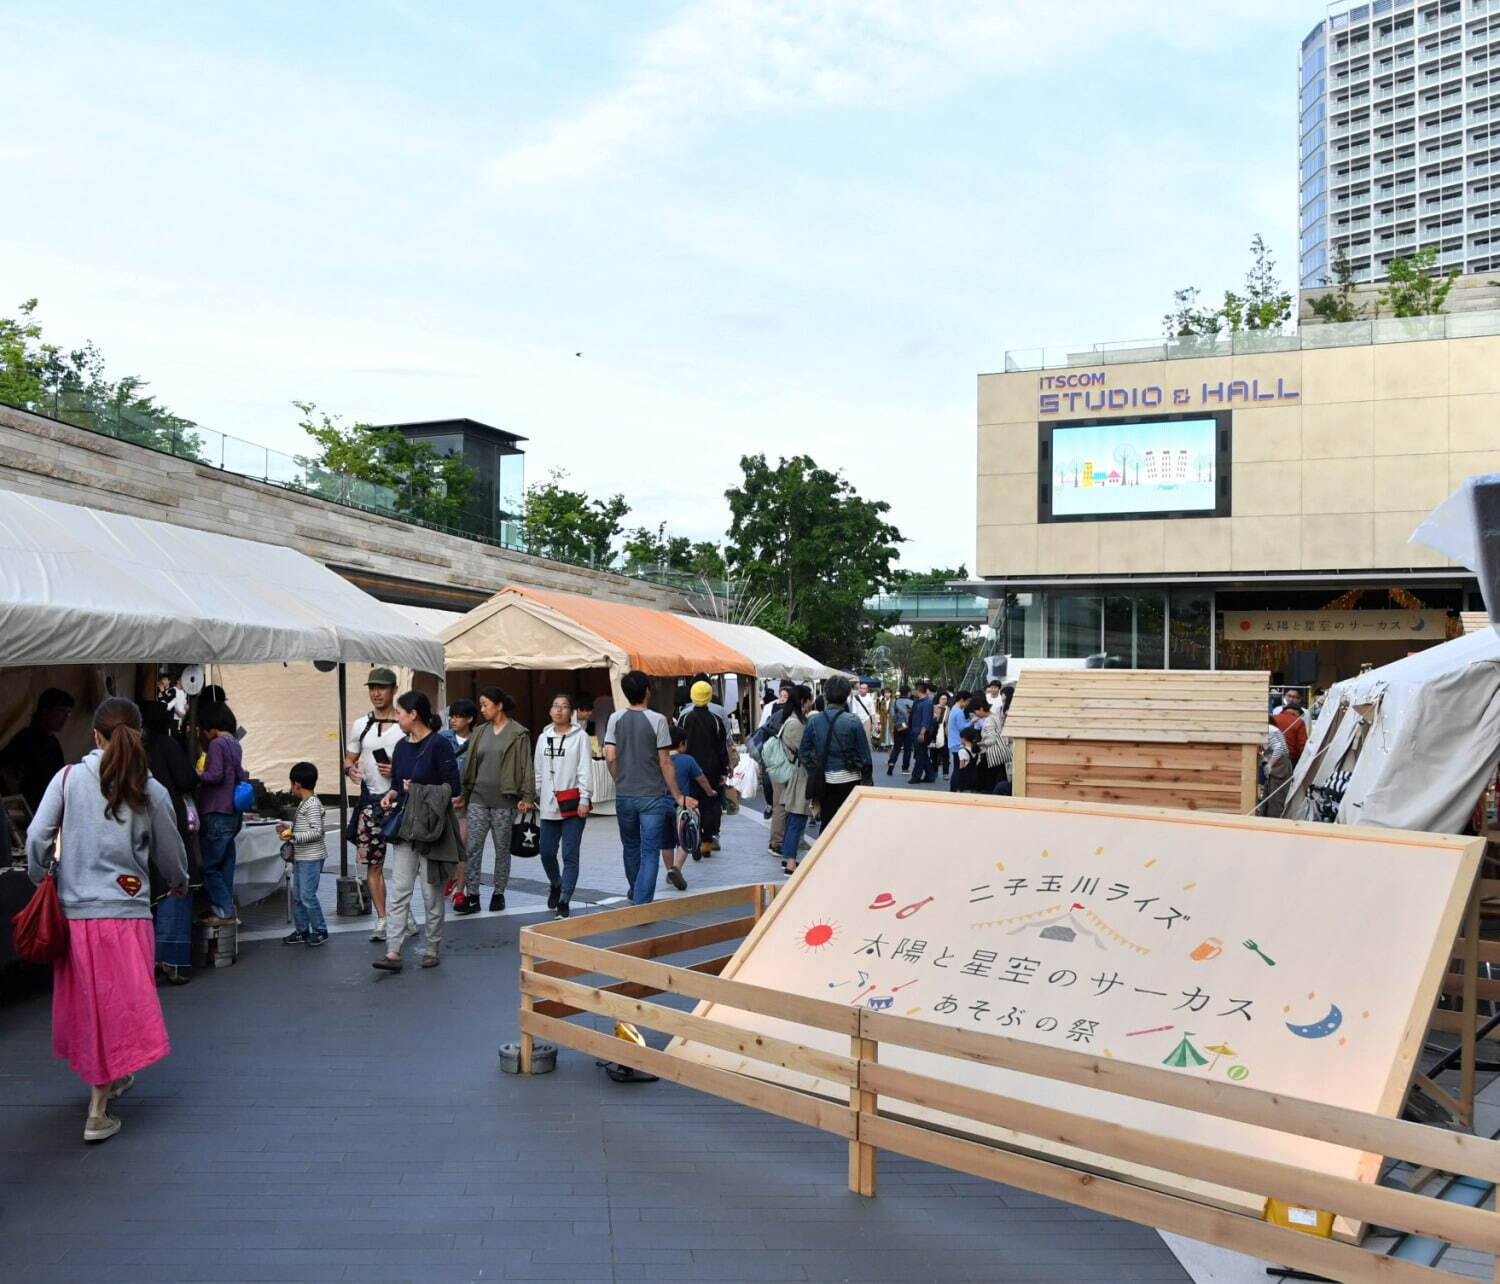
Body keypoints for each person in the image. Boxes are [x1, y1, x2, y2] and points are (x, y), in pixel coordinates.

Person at [26, 698, 189, 1143]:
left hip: (76, 914)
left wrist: (42, 877)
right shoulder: (149, 788)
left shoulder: (68, 779)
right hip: (126, 913)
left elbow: (37, 837)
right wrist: (178, 882)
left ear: (95, 735)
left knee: (91, 1006)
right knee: (116, 1004)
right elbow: (170, 851)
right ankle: (98, 1111)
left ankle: (109, 1081)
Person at [374, 691, 463, 971]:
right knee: (400, 890)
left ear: (414, 715)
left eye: (400, 713)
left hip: (432, 830)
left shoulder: (439, 745)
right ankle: (393, 951)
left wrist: (420, 791)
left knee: (430, 892)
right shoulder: (401, 747)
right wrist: (391, 794)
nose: (396, 717)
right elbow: (399, 782)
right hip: (405, 828)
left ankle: (432, 946)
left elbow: (454, 789)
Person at [604, 669, 696, 906]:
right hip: (653, 796)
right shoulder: (657, 720)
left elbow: (610, 756)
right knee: (649, 850)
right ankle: (642, 901)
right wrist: (678, 796)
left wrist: (619, 779)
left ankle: (636, 890)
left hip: (625, 794)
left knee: (630, 847)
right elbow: (665, 762)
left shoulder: (615, 719)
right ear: (647, 691)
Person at [457, 686, 535, 915]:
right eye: (480, 705)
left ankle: (499, 892)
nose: (482, 709)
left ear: (499, 706)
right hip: (478, 798)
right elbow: (470, 765)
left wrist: (528, 796)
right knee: (473, 848)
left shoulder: (518, 733)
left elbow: (526, 766)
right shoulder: (480, 731)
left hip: (505, 801)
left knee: (502, 849)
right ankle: (472, 895)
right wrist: (464, 793)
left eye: (485, 705)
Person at [344, 669, 404, 944]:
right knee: (373, 864)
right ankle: (382, 918)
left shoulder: (405, 724)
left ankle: (405, 915)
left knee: (406, 865)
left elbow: (417, 760)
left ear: (394, 689)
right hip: (370, 803)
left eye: (381, 688)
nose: (376, 693)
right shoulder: (361, 725)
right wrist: (350, 771)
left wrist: (397, 769)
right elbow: (349, 759)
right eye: (372, 688)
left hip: (401, 802)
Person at [140, 701, 198, 985]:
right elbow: (187, 779)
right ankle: (172, 959)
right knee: (175, 886)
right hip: (169, 815)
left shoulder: (134, 751)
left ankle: (147, 959)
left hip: (137, 825)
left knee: (149, 891)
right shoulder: (168, 745)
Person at [534, 694, 591, 919]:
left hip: (573, 804)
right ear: (550, 711)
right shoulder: (543, 737)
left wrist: (585, 798)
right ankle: (555, 883)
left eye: (565, 707)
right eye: (555, 706)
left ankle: (565, 898)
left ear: (572, 712)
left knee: (570, 853)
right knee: (546, 851)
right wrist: (536, 795)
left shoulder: (581, 737)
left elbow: (584, 769)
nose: (559, 710)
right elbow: (538, 769)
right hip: (548, 804)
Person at [196, 701, 248, 925]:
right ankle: (226, 910)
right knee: (225, 864)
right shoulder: (235, 744)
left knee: (209, 867)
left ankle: (224, 911)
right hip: (233, 813)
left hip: (216, 810)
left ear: (211, 725)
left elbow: (214, 775)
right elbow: (240, 774)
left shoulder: (217, 744)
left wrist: (197, 773)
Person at [798, 674, 872, 825]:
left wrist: (815, 769)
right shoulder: (853, 721)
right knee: (849, 822)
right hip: (850, 779)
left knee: (827, 822)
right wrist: (868, 780)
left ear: (825, 695)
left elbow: (803, 753)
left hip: (825, 779)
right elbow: (865, 756)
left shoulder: (814, 721)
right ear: (846, 695)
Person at [1, 687, 76, 814]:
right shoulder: (25, 739)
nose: (65, 717)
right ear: (45, 710)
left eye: (68, 713)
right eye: (61, 711)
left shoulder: (53, 743)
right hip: (29, 811)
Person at [279, 761, 328, 947]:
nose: (291, 789)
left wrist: (294, 835)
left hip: (312, 857)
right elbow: (307, 828)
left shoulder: (312, 804)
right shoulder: (305, 803)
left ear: (297, 784)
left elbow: (317, 832)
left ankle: (320, 929)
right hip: (302, 857)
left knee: (307, 895)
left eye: (291, 785)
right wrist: (289, 829)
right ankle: (302, 930)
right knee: (299, 895)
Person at [679, 681, 728, 860]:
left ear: (692, 696)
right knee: (710, 804)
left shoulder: (684, 718)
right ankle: (706, 841)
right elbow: (721, 748)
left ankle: (693, 838)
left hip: (689, 768)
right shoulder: (716, 721)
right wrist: (724, 770)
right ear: (708, 697)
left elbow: (678, 743)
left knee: (691, 803)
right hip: (711, 769)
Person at [663, 725, 714, 890]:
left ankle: (669, 870)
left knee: (666, 843)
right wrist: (710, 791)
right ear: (682, 743)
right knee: (685, 838)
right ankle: (677, 867)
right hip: (681, 806)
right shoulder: (687, 760)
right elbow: (702, 779)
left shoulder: (660, 761)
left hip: (661, 806)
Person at [778, 685, 815, 875]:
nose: (811, 703)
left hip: (796, 774)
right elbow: (804, 752)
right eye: (809, 700)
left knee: (794, 818)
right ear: (803, 701)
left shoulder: (792, 720)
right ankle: (791, 862)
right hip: (799, 776)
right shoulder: (795, 724)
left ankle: (787, 859)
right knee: (797, 819)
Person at [1260, 716, 1293, 819]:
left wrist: (1270, 764)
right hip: (1277, 765)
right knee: (1269, 796)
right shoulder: (1269, 729)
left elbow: (1280, 749)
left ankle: (1274, 822)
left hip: (1279, 766)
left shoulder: (1269, 730)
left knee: (1276, 798)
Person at [440, 699, 478, 776]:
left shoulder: (478, 740)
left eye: (457, 717)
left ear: (469, 719)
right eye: (451, 717)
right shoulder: (443, 738)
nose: (452, 721)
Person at [908, 682, 936, 783]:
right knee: (922, 754)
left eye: (914, 690)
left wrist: (922, 733)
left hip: (920, 732)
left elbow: (926, 719)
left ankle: (916, 776)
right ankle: (930, 775)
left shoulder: (927, 703)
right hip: (916, 730)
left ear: (918, 691)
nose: (913, 692)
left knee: (919, 755)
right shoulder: (918, 701)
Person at [1273, 689, 1309, 764]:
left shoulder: (1274, 717)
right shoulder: (1299, 721)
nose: (1291, 699)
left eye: (1295, 697)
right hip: (1289, 756)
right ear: (1297, 713)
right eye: (1289, 696)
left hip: (1271, 754)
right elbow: (1302, 743)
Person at [886, 686, 914, 777]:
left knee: (896, 748)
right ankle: (905, 768)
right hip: (909, 728)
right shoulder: (912, 703)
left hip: (898, 728)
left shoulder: (894, 702)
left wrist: (897, 723)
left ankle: (891, 765)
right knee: (907, 749)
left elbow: (892, 715)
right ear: (908, 693)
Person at [954, 725, 984, 792]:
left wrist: (959, 785)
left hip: (965, 780)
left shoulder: (962, 751)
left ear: (964, 738)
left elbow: (961, 768)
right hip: (975, 778)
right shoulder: (977, 750)